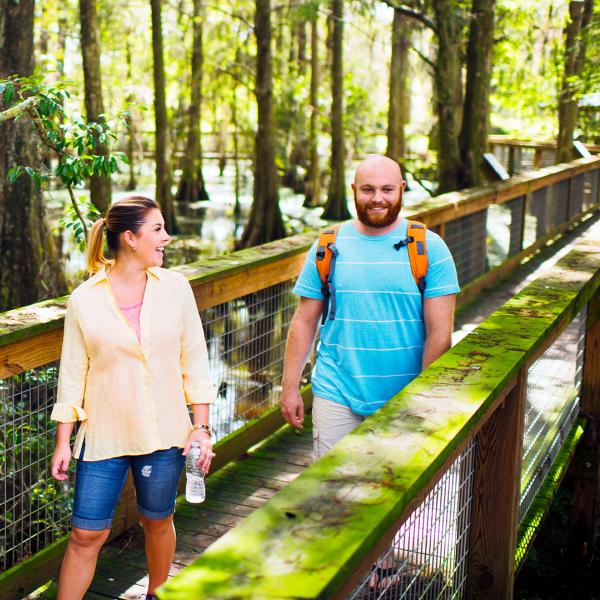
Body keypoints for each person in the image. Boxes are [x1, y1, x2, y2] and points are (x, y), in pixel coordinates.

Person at [50, 196, 217, 600]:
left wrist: (202, 427)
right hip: (103, 437)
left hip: (163, 436)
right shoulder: (85, 299)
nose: (167, 237)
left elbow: (194, 360)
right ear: (130, 238)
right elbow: (73, 373)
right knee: (86, 534)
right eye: (158, 229)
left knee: (157, 521)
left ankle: (157, 594)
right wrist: (62, 440)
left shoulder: (176, 288)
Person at [281, 155, 460, 457]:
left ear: (402, 189)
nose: (378, 199)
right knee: (329, 495)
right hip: (335, 391)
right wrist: (289, 388)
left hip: (404, 396)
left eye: (387, 190)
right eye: (368, 190)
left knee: (393, 495)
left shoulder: (431, 248)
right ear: (353, 190)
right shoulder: (326, 246)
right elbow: (305, 320)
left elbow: (440, 332)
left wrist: (424, 398)